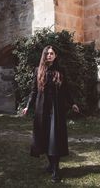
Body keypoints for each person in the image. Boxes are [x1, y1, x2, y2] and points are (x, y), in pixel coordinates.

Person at [22, 45, 79, 183]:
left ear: (55, 56)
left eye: (52, 53)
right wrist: (27, 106)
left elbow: (66, 90)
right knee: (45, 138)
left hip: (56, 110)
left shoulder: (61, 71)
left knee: (55, 139)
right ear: (44, 55)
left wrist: (73, 103)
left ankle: (55, 170)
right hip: (42, 109)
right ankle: (51, 165)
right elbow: (34, 91)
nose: (49, 55)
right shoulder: (38, 71)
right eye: (47, 53)